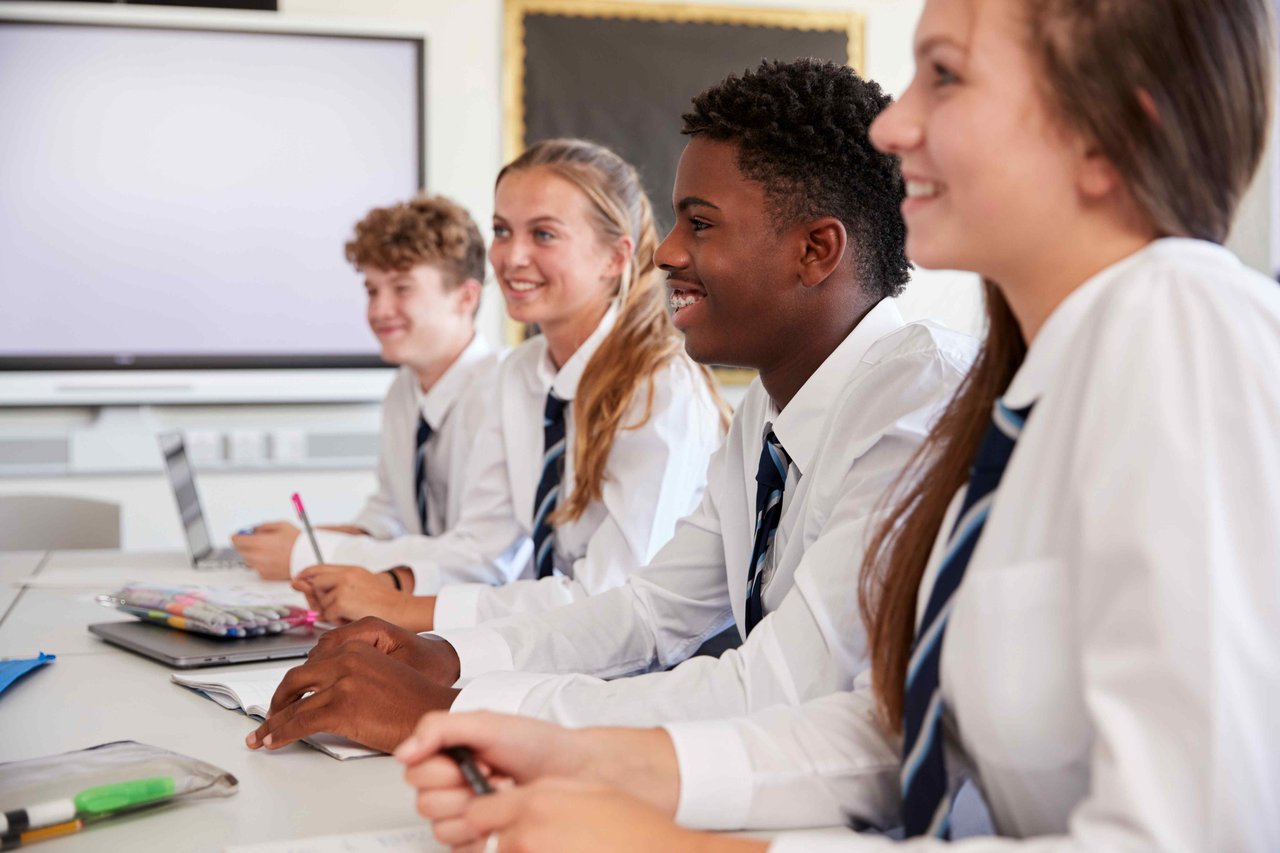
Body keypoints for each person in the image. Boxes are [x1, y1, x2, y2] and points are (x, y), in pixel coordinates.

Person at [396, 0, 1280, 849]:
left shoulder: (1181, 322)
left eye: (945, 75)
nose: (896, 128)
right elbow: (895, 726)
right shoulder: (1021, 389)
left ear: (1108, 136)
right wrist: (578, 752)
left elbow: (1189, 837)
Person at [245, 59, 977, 753]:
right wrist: (443, 656)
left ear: (816, 250)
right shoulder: (771, 408)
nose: (667, 254)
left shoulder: (915, 406)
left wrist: (454, 711)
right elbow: (648, 609)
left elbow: (781, 687)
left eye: (702, 223)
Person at [281, 138, 728, 633]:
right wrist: (380, 584)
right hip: (550, 646)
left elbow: (611, 599)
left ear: (614, 258)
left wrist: (402, 609)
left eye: (543, 234)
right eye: (501, 230)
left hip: (647, 669)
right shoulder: (519, 374)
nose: (512, 256)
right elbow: (484, 551)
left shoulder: (659, 390)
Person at [231, 194, 506, 582]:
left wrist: (314, 553)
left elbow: (477, 559)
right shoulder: (403, 391)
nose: (378, 311)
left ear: (466, 296)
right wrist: (308, 541)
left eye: (402, 288)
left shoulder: (502, 394)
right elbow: (390, 515)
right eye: (373, 290)